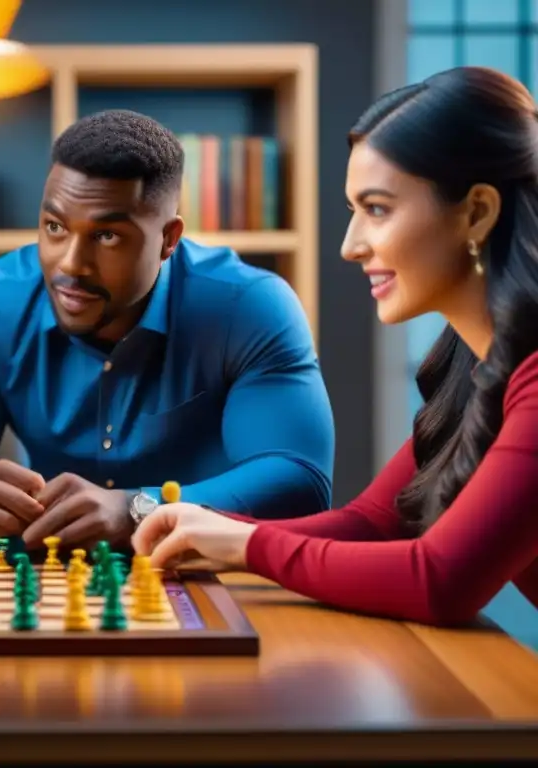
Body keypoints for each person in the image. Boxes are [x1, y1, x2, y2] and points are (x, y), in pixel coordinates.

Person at [133, 66, 538, 628]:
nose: (350, 246)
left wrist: (247, 548)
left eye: (377, 209)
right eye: (355, 212)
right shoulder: (473, 363)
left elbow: (442, 580)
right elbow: (373, 523)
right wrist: (213, 530)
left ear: (476, 213)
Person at [0, 110, 334, 549]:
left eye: (106, 236)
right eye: (54, 227)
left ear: (168, 239)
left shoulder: (250, 306)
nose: (70, 264)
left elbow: (300, 479)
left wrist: (139, 509)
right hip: (54, 573)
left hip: (207, 570)